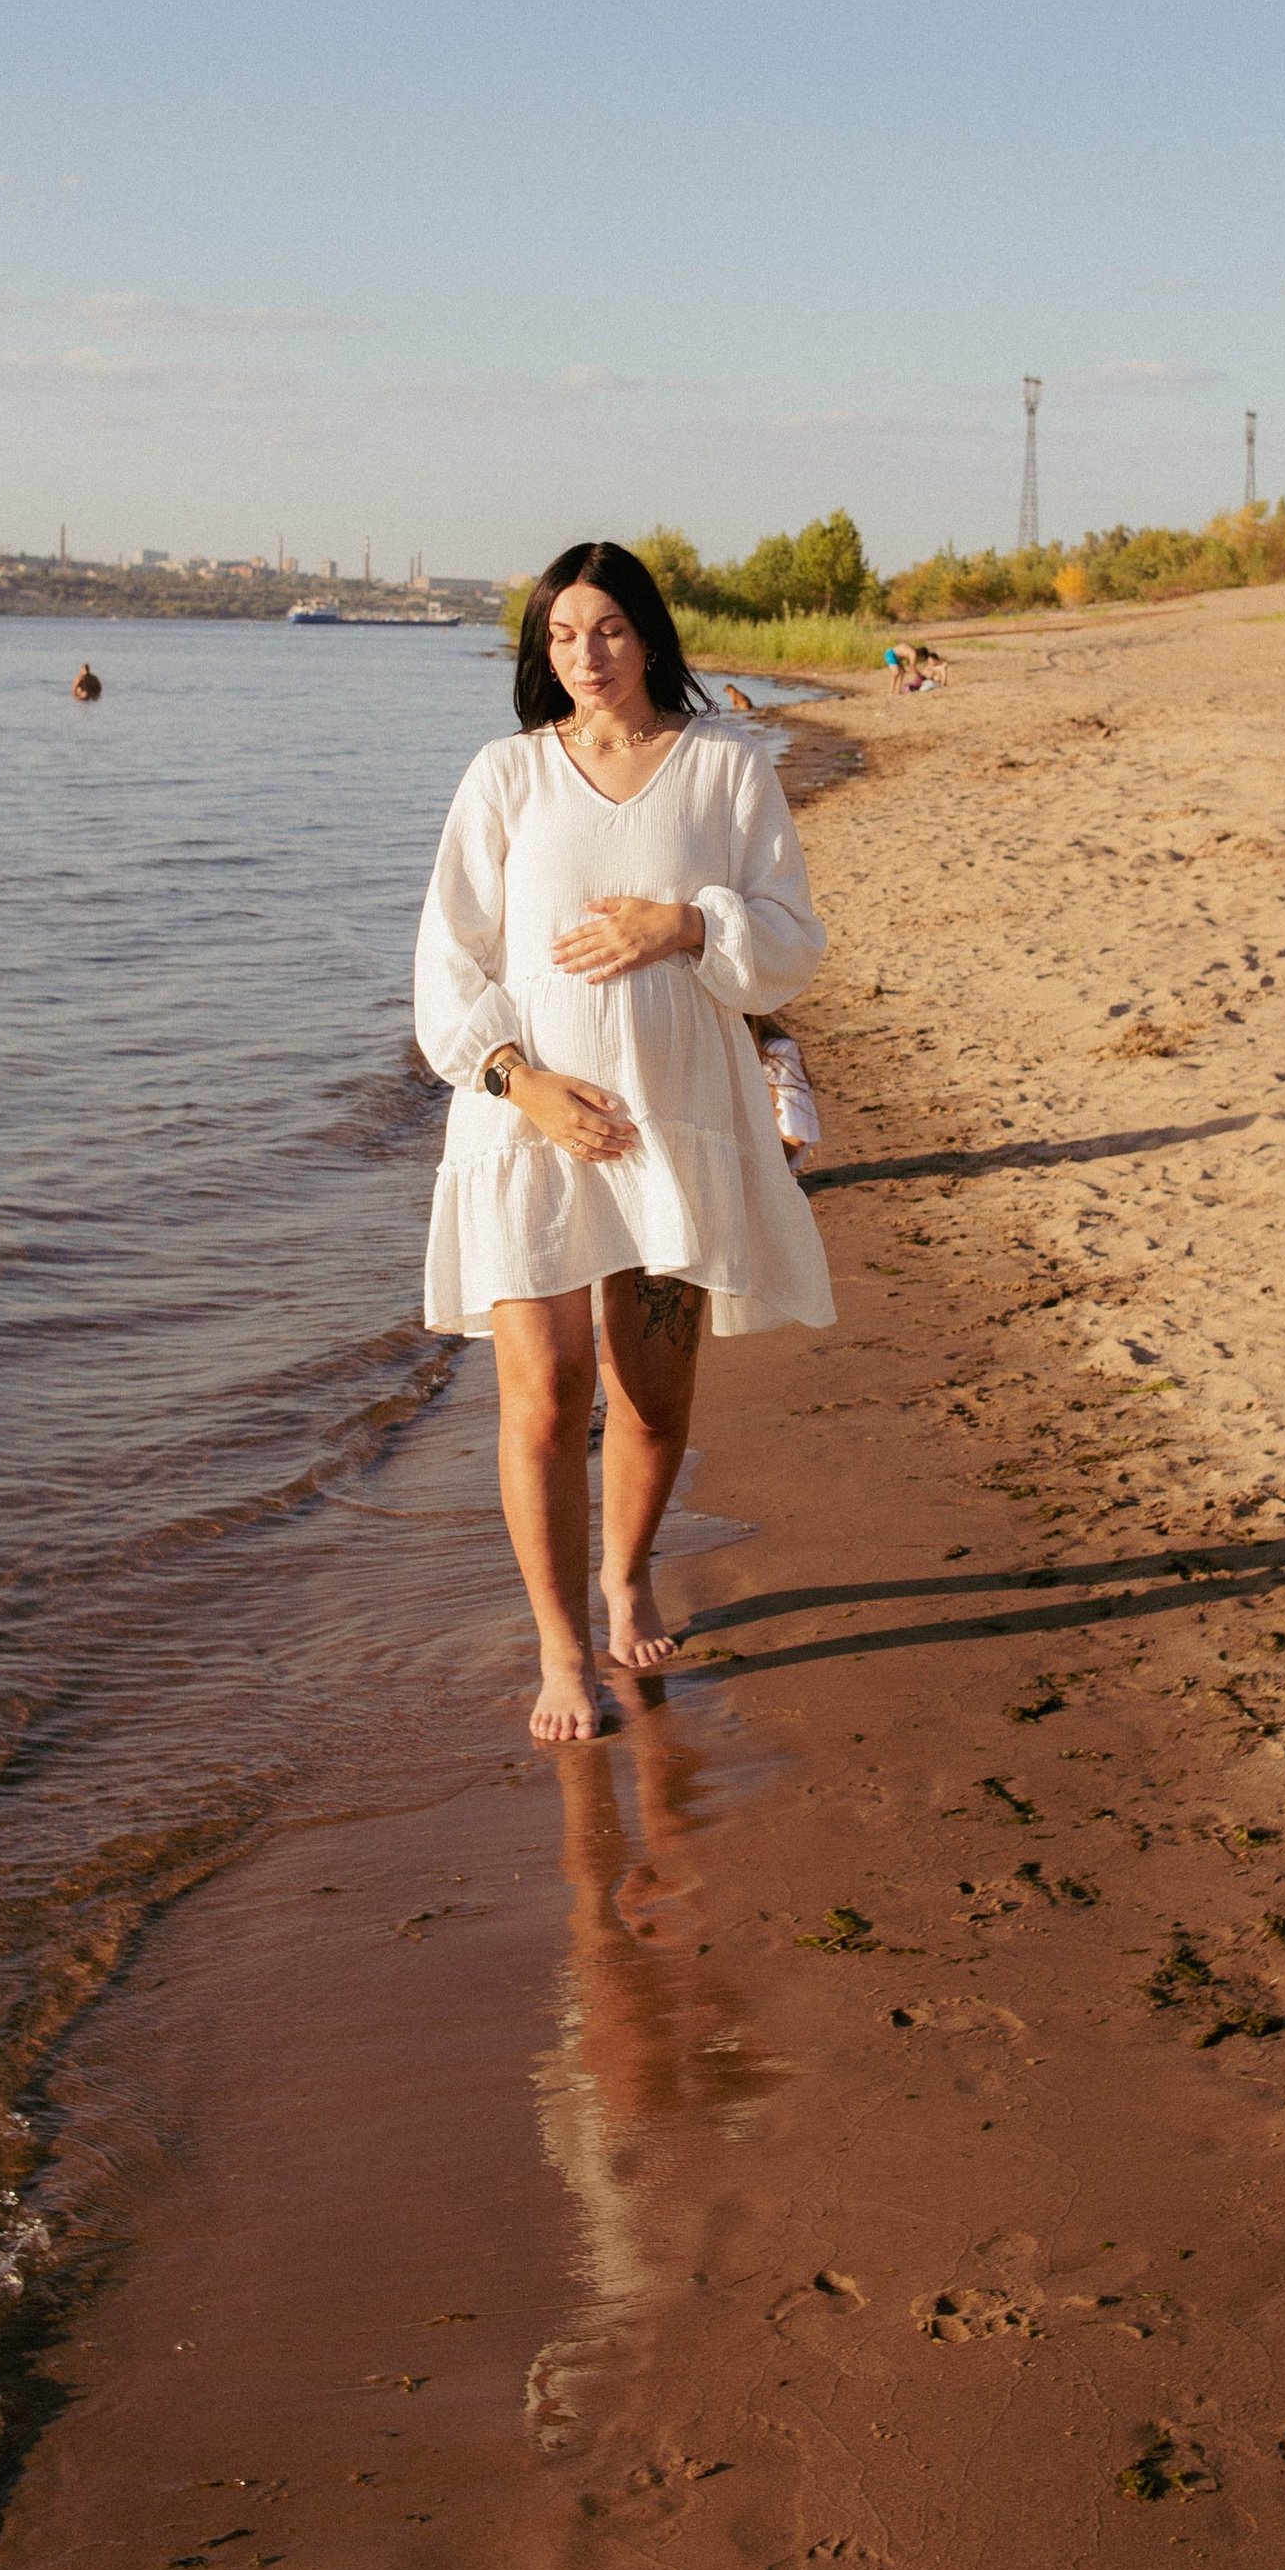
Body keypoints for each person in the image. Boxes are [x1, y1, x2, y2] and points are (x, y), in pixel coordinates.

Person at [415, 540, 835, 1743]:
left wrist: (685, 927)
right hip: (528, 1124)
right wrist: (521, 1082)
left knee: (649, 1398)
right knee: (544, 1401)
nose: (584, 654)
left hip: (671, 1119)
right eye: (560, 635)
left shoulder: (723, 770)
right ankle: (558, 1645)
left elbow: (792, 943)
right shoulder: (505, 776)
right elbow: (447, 964)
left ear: (647, 635)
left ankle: (627, 1572)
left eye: (605, 629)